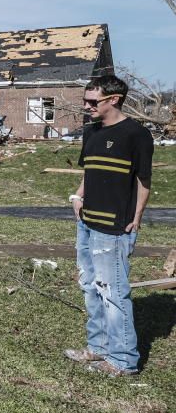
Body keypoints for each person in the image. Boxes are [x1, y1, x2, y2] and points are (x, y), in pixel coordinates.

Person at [65, 75, 153, 377]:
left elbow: (143, 180)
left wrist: (137, 217)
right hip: (87, 223)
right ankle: (98, 348)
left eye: (93, 102)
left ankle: (123, 360)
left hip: (115, 228)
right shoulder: (91, 132)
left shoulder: (136, 135)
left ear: (113, 100)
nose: (87, 107)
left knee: (113, 292)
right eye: (85, 101)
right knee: (90, 286)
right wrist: (78, 196)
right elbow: (89, 172)